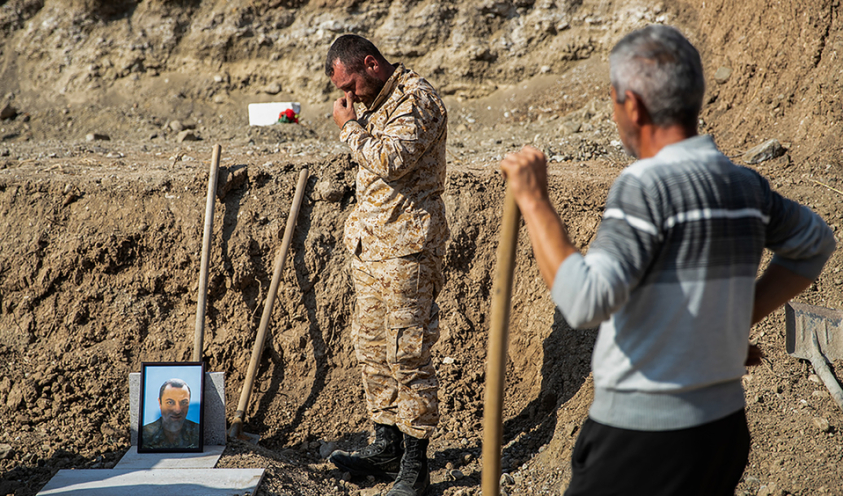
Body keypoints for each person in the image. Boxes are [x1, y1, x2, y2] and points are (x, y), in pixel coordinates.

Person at [500, 25, 835, 496]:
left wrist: (535, 201)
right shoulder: (745, 185)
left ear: (632, 105)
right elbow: (814, 241)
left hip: (643, 442)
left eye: (614, 102)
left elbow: (582, 301)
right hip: (723, 431)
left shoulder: (646, 186)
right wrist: (731, 326)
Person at [324, 34, 450, 496]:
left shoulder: (417, 99)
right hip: (371, 249)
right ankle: (387, 446)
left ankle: (416, 465)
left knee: (408, 353)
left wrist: (349, 128)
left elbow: (392, 160)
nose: (349, 96)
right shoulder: (376, 100)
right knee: (373, 349)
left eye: (352, 84)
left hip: (406, 251)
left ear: (372, 64)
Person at [141, 378, 200, 450]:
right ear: (160, 403)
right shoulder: (145, 434)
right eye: (170, 402)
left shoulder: (198, 432)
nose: (177, 410)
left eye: (184, 403)